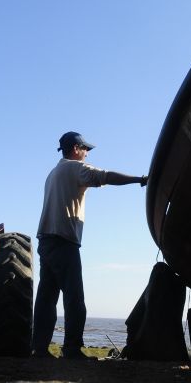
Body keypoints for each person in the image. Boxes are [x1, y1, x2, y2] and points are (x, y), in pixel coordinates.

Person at [31, 131, 147, 359]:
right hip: (64, 241)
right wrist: (139, 179)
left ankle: (39, 348)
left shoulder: (53, 173)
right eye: (85, 149)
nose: (87, 154)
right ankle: (71, 349)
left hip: (46, 241)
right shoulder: (75, 168)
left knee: (47, 298)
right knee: (74, 298)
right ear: (76, 149)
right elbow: (106, 176)